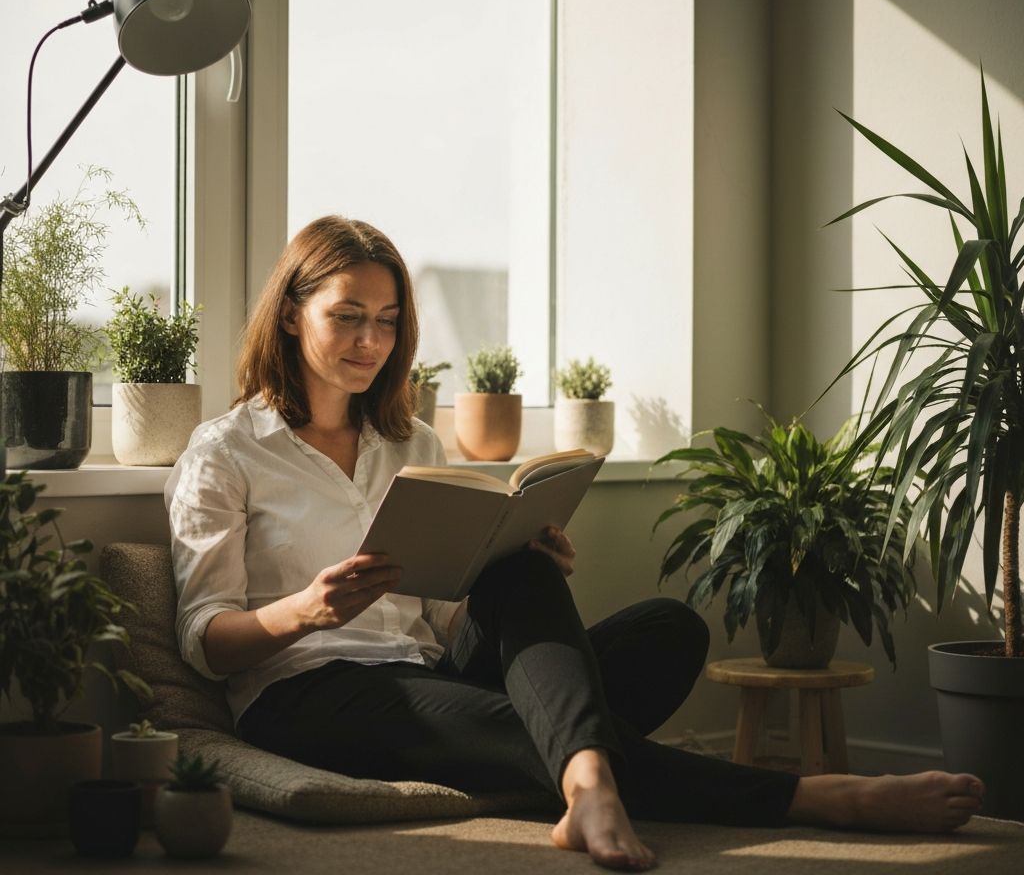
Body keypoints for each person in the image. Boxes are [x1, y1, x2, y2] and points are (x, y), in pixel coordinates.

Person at [167, 216, 984, 871]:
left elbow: (444, 620)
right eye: (346, 317)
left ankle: (561, 758)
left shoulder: (412, 444)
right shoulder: (227, 450)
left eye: (385, 322)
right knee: (538, 728)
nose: (369, 342)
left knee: (663, 625)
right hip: (305, 697)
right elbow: (207, 643)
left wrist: (518, 563)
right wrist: (306, 611)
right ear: (289, 313)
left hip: (424, 674)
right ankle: (801, 797)